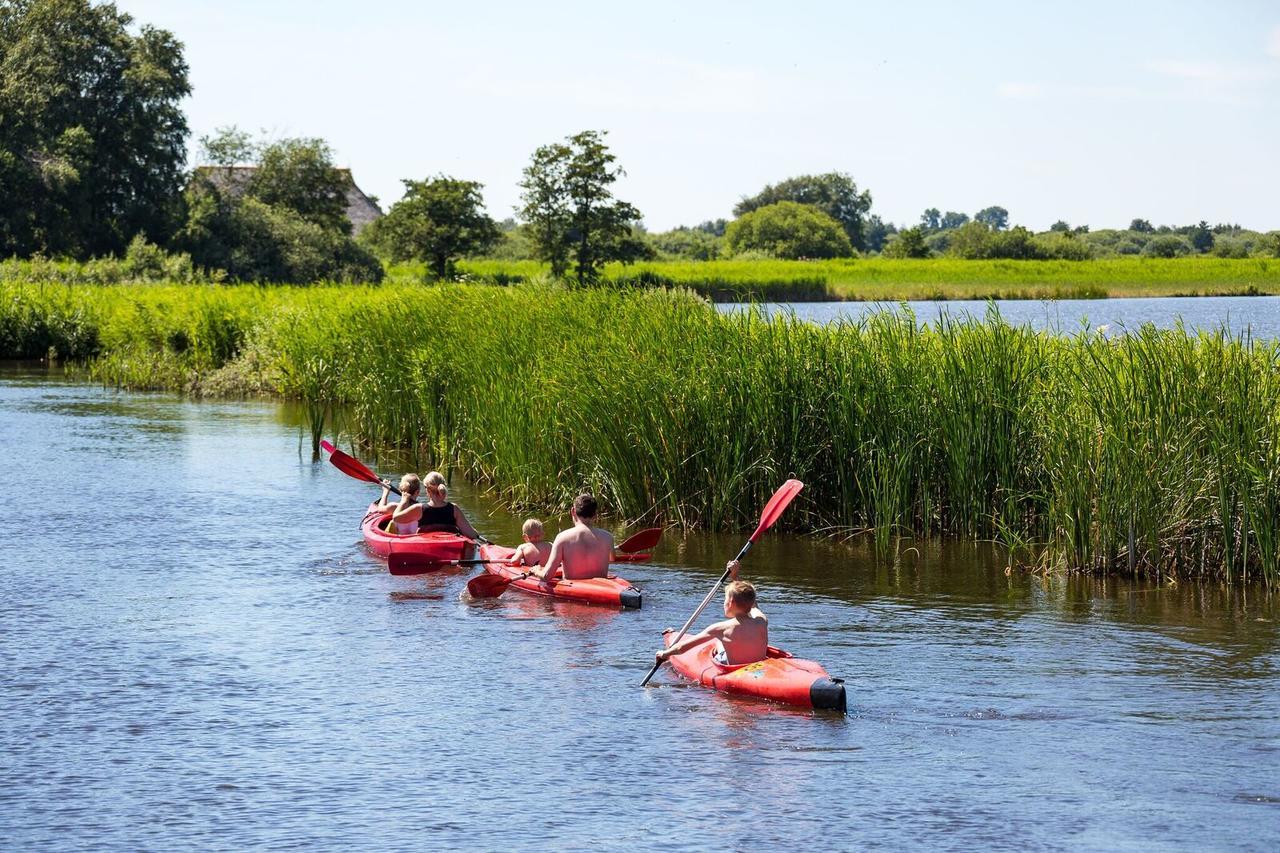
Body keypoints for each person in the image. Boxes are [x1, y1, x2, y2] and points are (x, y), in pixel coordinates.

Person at [654, 561, 768, 666]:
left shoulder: (721, 629)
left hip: (734, 670)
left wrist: (664, 654)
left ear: (730, 603)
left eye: (725, 599)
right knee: (719, 640)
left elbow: (681, 648)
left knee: (718, 639)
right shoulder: (761, 621)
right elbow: (752, 604)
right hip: (758, 666)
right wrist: (734, 576)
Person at [530, 494, 614, 581]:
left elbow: (546, 576)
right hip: (600, 589)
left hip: (572, 590)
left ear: (573, 511)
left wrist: (537, 570)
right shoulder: (608, 537)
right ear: (595, 514)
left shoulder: (562, 537)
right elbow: (612, 559)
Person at [417, 470, 484, 541]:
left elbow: (403, 522)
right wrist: (475, 532)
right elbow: (472, 535)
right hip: (450, 549)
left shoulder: (419, 508)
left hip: (427, 549)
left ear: (427, 490)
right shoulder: (454, 509)